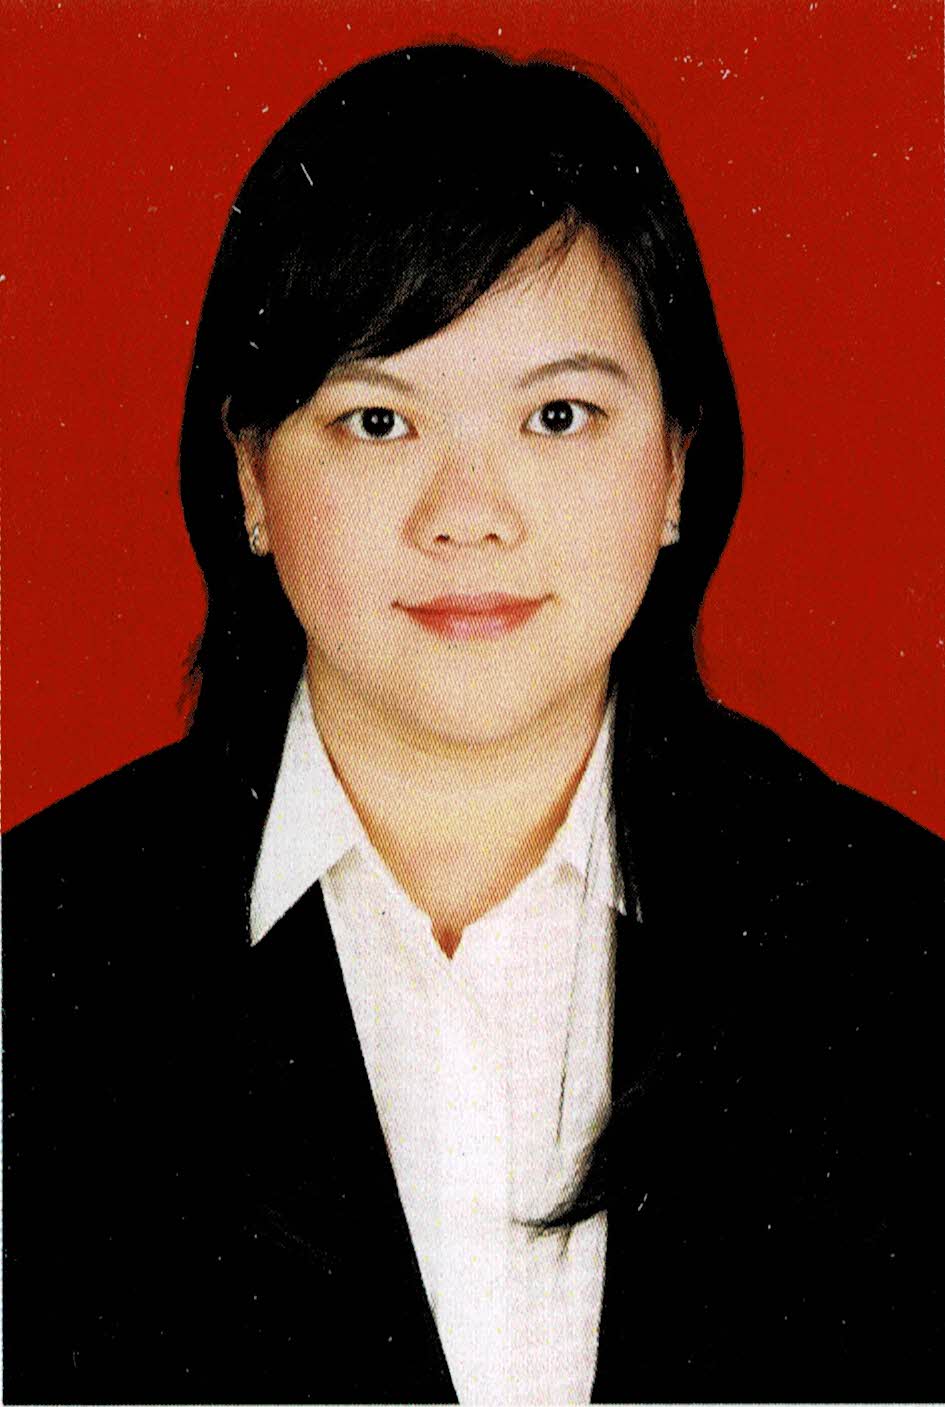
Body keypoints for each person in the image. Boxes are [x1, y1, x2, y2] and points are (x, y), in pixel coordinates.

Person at [2, 42, 942, 1407]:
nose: (468, 515)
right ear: (251, 477)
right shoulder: (37, 959)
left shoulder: (898, 947)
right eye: (376, 421)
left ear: (677, 465)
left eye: (558, 415)